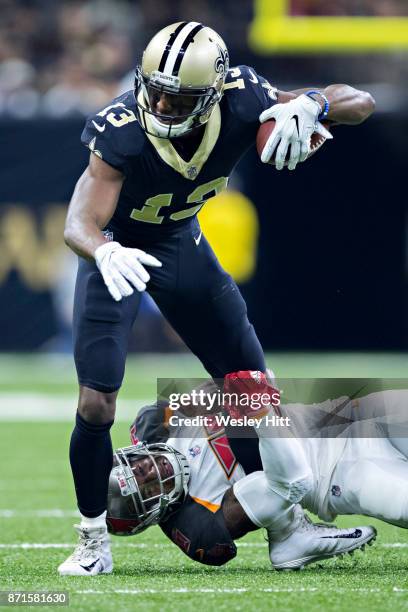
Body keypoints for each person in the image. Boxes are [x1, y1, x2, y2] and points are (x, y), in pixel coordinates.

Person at [59, 20, 375, 576]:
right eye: (153, 88)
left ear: (211, 95)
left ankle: (289, 533)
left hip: (182, 246)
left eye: (176, 98)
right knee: (95, 404)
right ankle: (91, 540)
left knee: (253, 392)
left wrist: (316, 104)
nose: (159, 103)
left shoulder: (244, 96)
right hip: (118, 254)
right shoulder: (122, 131)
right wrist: (103, 251)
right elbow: (79, 223)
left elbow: (363, 102)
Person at [106, 385, 408, 569]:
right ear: (151, 514)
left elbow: (224, 383)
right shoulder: (199, 518)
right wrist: (258, 414)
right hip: (339, 475)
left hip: (348, 413)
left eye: (134, 469)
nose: (146, 473)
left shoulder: (159, 422)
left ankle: (290, 538)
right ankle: (291, 536)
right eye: (143, 490)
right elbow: (287, 483)